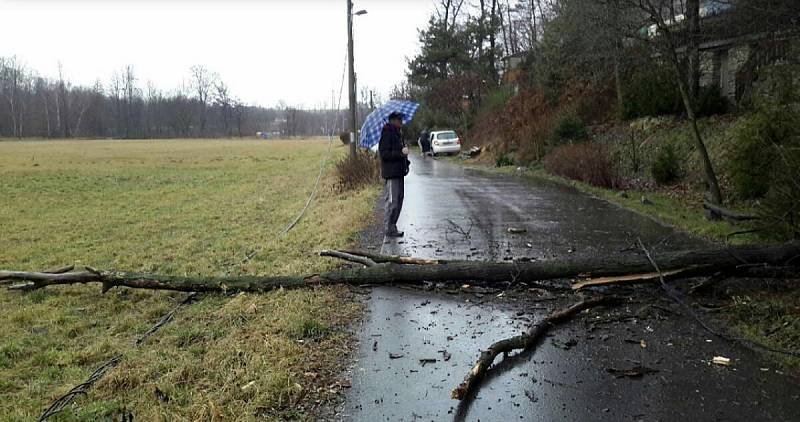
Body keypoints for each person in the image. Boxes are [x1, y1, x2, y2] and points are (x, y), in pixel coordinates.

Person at [378, 112, 410, 238]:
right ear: (392, 121)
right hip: (391, 174)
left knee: (400, 200)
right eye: (399, 120)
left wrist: (405, 160)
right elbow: (384, 154)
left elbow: (400, 152)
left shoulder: (398, 134)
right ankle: (388, 228)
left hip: (399, 172)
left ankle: (393, 226)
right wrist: (400, 153)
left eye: (401, 119)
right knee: (392, 202)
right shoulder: (387, 134)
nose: (401, 122)